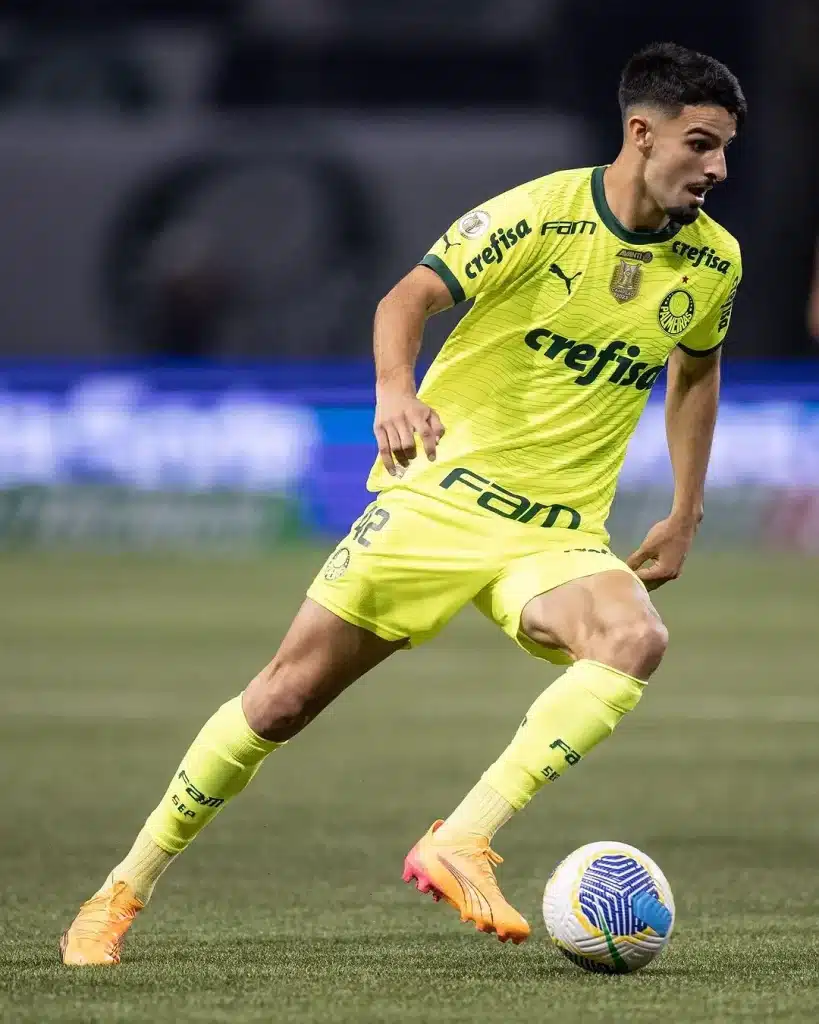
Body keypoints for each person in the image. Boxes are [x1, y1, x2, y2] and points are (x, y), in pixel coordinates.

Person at [60, 41, 745, 964]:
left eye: (725, 150)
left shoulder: (712, 263)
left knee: (634, 640)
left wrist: (685, 508)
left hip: (556, 533)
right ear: (639, 132)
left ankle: (461, 838)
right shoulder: (538, 217)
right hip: (442, 498)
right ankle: (119, 891)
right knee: (281, 700)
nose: (716, 168)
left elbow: (694, 372)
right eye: (699, 144)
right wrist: (394, 391)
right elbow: (407, 297)